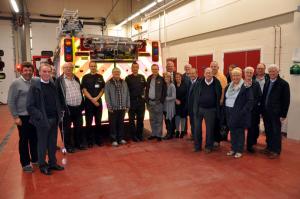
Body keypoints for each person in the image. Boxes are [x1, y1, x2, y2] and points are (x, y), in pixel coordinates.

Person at [27, 63, 64, 175]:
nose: (47, 74)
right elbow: (30, 106)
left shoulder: (53, 85)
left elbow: (57, 101)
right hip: (43, 121)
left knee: (52, 143)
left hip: (54, 119)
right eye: (44, 71)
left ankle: (52, 163)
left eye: (49, 71)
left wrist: (60, 112)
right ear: (39, 73)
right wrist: (40, 116)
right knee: (42, 144)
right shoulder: (35, 87)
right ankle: (42, 165)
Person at [7, 62, 38, 173]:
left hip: (33, 116)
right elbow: (10, 101)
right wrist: (16, 117)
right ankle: (25, 163)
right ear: (21, 71)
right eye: (25, 70)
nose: (28, 72)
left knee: (34, 139)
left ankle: (35, 159)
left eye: (30, 70)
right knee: (24, 140)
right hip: (22, 117)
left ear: (32, 71)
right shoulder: (16, 83)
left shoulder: (34, 81)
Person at [55, 62, 85, 153]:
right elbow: (57, 96)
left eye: (70, 67)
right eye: (66, 68)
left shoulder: (76, 78)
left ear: (73, 69)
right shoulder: (59, 80)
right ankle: (68, 146)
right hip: (66, 109)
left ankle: (78, 144)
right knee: (66, 129)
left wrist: (82, 105)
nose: (68, 69)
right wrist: (61, 108)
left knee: (79, 127)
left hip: (78, 107)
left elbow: (80, 91)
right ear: (63, 69)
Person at [261, 64, 290, 159]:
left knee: (276, 132)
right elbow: (264, 97)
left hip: (276, 113)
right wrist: (262, 110)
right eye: (270, 71)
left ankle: (276, 150)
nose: (272, 73)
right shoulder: (267, 82)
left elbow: (286, 100)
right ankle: (269, 147)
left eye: (274, 71)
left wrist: (283, 114)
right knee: (268, 131)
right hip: (266, 112)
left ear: (278, 72)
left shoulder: (284, 84)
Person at [224, 67, 253, 158]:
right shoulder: (229, 85)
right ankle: (233, 149)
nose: (235, 77)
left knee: (239, 132)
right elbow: (226, 97)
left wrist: (243, 111)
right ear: (231, 76)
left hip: (239, 112)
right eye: (234, 75)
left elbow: (250, 100)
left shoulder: (245, 86)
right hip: (229, 111)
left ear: (241, 76)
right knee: (232, 131)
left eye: (237, 75)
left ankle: (239, 150)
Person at [192, 68, 222, 153]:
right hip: (199, 109)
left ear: (212, 74)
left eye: (210, 73)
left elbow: (219, 96)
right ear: (204, 74)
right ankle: (197, 146)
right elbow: (196, 97)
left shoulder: (217, 83)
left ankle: (208, 146)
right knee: (197, 128)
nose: (208, 74)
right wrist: (195, 109)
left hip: (211, 110)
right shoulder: (199, 83)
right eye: (206, 73)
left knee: (210, 129)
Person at [81, 61, 105, 147]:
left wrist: (97, 98)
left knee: (98, 122)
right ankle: (89, 141)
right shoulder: (85, 77)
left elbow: (102, 89)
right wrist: (92, 100)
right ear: (89, 67)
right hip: (89, 103)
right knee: (89, 122)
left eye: (94, 66)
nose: (93, 67)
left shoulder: (100, 77)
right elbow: (84, 90)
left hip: (98, 102)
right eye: (91, 66)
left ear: (96, 67)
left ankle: (98, 140)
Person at [105, 67, 130, 147]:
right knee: (113, 124)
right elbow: (107, 96)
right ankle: (114, 140)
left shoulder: (124, 82)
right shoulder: (108, 83)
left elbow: (127, 94)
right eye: (115, 72)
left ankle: (121, 138)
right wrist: (109, 106)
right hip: (113, 108)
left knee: (121, 124)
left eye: (118, 72)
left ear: (120, 73)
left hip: (122, 107)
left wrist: (127, 105)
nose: (117, 74)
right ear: (112, 74)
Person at [125, 62, 146, 142]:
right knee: (131, 120)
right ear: (131, 68)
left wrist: (144, 96)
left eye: (136, 67)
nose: (135, 69)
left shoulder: (142, 77)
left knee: (140, 119)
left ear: (138, 68)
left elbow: (145, 88)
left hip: (141, 102)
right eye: (133, 67)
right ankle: (133, 136)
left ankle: (140, 135)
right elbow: (126, 91)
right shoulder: (128, 78)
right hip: (132, 102)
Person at [145, 64, 166, 141]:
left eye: (156, 69)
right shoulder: (149, 78)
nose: (154, 70)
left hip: (158, 103)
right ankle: (153, 134)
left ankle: (159, 135)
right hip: (150, 102)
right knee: (152, 119)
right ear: (151, 70)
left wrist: (161, 101)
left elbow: (164, 91)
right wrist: (147, 101)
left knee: (159, 120)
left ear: (158, 70)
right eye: (153, 69)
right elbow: (147, 90)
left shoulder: (161, 79)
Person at [244, 66, 262, 153]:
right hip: (242, 110)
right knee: (240, 128)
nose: (249, 74)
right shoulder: (240, 83)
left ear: (253, 74)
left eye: (251, 73)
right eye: (247, 72)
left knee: (252, 128)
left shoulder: (256, 84)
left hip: (253, 110)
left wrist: (254, 105)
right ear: (244, 73)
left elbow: (259, 96)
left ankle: (249, 145)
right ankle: (239, 144)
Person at [210, 61, 228, 147]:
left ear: (218, 67)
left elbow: (224, 89)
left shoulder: (222, 77)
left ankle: (217, 140)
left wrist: (221, 99)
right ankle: (211, 138)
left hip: (218, 102)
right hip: (211, 103)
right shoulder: (209, 75)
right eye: (212, 66)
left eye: (215, 66)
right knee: (211, 122)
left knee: (217, 121)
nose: (213, 68)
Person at [163, 72, 176, 140]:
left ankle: (170, 134)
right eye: (165, 77)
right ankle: (168, 132)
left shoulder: (172, 85)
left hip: (170, 105)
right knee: (166, 120)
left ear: (170, 78)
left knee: (170, 120)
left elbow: (174, 97)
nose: (166, 78)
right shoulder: (164, 85)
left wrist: (165, 98)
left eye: (168, 77)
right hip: (165, 106)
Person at [186, 68, 198, 140]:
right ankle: (193, 135)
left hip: (196, 107)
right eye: (190, 73)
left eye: (193, 73)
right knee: (192, 122)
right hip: (190, 107)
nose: (192, 75)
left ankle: (197, 137)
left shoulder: (200, 82)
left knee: (197, 123)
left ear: (197, 74)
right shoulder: (188, 82)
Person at [174, 73, 188, 138]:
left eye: (179, 77)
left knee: (183, 117)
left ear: (181, 77)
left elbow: (186, 95)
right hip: (176, 104)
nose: (177, 78)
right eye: (176, 77)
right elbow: (172, 94)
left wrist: (180, 101)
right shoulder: (174, 85)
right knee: (177, 117)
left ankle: (182, 131)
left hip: (183, 104)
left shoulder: (185, 85)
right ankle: (177, 131)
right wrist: (176, 100)